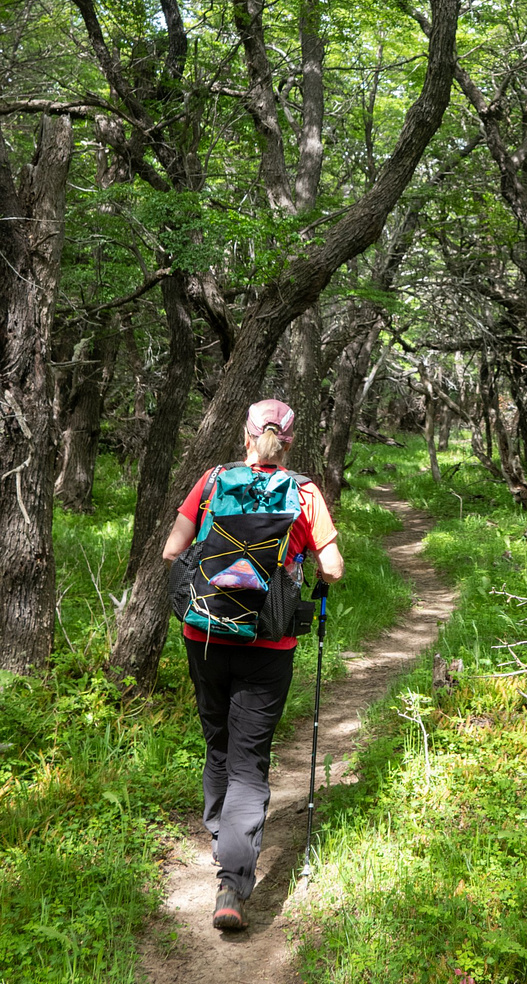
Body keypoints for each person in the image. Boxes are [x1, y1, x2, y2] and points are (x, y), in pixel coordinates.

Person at [162, 397, 344, 932]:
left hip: (206, 634)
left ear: (247, 435)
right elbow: (331, 567)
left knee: (216, 742)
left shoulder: (214, 479)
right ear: (289, 441)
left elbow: (173, 548)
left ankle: (224, 837)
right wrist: (310, 564)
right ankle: (233, 882)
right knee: (249, 759)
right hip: (269, 644)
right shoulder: (304, 492)